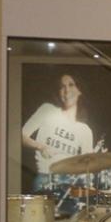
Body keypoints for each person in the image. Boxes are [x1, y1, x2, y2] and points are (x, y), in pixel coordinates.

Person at [21, 73, 103, 212]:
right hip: (45, 180)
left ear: (79, 90)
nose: (66, 90)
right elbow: (21, 135)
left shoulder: (84, 130)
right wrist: (40, 146)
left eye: (71, 85)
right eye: (62, 87)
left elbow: (86, 169)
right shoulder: (47, 110)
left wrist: (98, 158)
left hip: (70, 185)